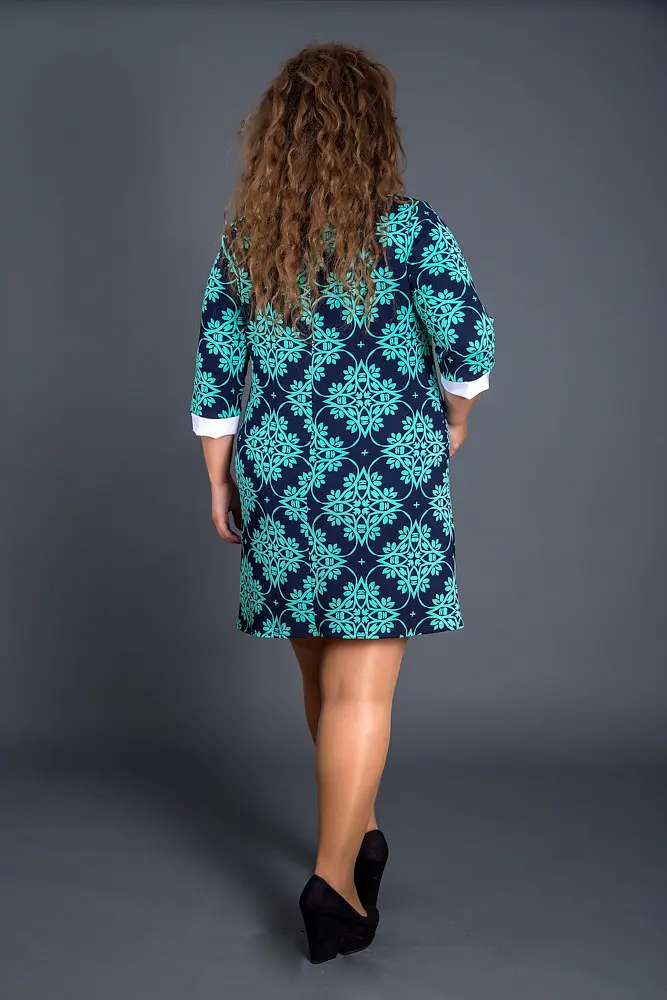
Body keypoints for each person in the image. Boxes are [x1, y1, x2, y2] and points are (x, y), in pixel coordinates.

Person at [189, 42, 495, 963]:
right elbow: (468, 347)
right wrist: (455, 420)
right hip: (386, 474)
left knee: (321, 673)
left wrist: (218, 477)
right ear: (374, 134)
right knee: (361, 685)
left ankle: (359, 835)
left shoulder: (248, 238)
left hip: (281, 473)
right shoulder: (412, 230)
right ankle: (332, 884)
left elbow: (216, 372)